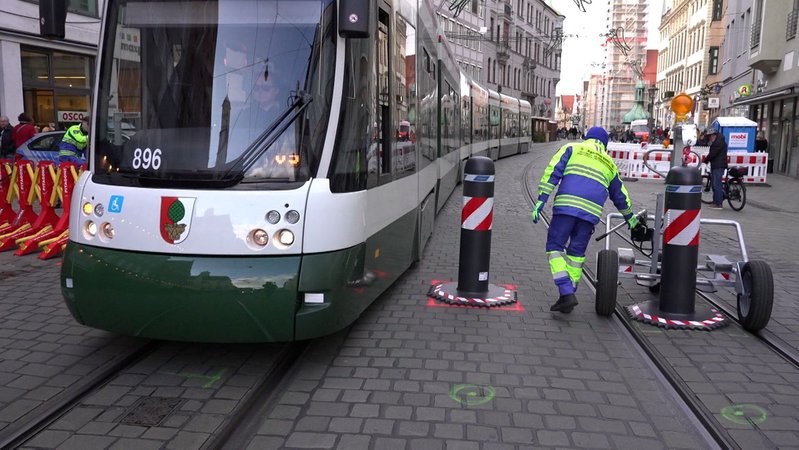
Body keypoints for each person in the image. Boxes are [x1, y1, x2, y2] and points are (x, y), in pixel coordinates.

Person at [531, 126, 640, 313]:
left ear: (586, 137)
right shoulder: (609, 164)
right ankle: (568, 296)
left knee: (555, 247)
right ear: (605, 144)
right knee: (576, 254)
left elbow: (552, 173)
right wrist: (630, 217)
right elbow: (620, 195)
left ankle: (566, 292)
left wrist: (541, 200)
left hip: (566, 207)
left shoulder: (572, 148)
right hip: (590, 214)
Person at [703, 128, 728, 209]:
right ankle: (717, 200)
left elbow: (713, 154)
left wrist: (706, 160)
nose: (709, 138)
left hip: (718, 165)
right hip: (717, 165)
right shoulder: (718, 141)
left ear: (714, 135)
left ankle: (718, 203)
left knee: (716, 184)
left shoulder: (717, 143)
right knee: (716, 183)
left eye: (710, 136)